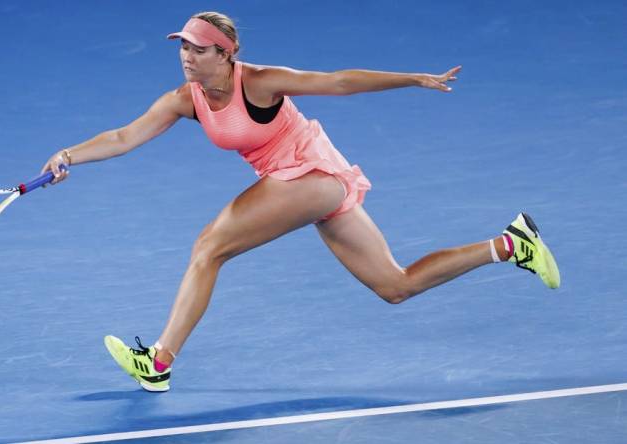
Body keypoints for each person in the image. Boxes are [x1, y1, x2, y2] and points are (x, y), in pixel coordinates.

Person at [41, 12, 560, 392]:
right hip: (307, 187)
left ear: (227, 53)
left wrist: (413, 78)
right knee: (395, 285)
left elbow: (336, 82)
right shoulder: (184, 99)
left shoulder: (261, 82)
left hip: (311, 175)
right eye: (183, 46)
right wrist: (69, 154)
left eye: (199, 49)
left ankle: (159, 361)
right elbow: (124, 136)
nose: (187, 56)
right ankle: (511, 245)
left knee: (209, 248)